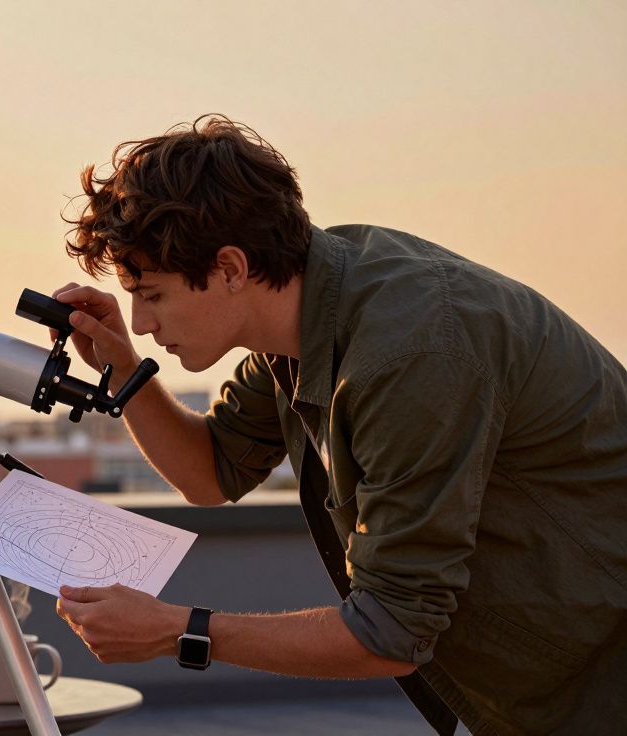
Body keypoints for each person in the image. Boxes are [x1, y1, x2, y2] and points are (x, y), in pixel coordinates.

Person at [49, 114, 626, 736]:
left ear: (232, 269)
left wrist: (177, 631)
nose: (140, 322)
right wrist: (121, 368)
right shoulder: (310, 310)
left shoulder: (409, 353)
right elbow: (211, 472)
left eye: (154, 295)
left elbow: (390, 633)